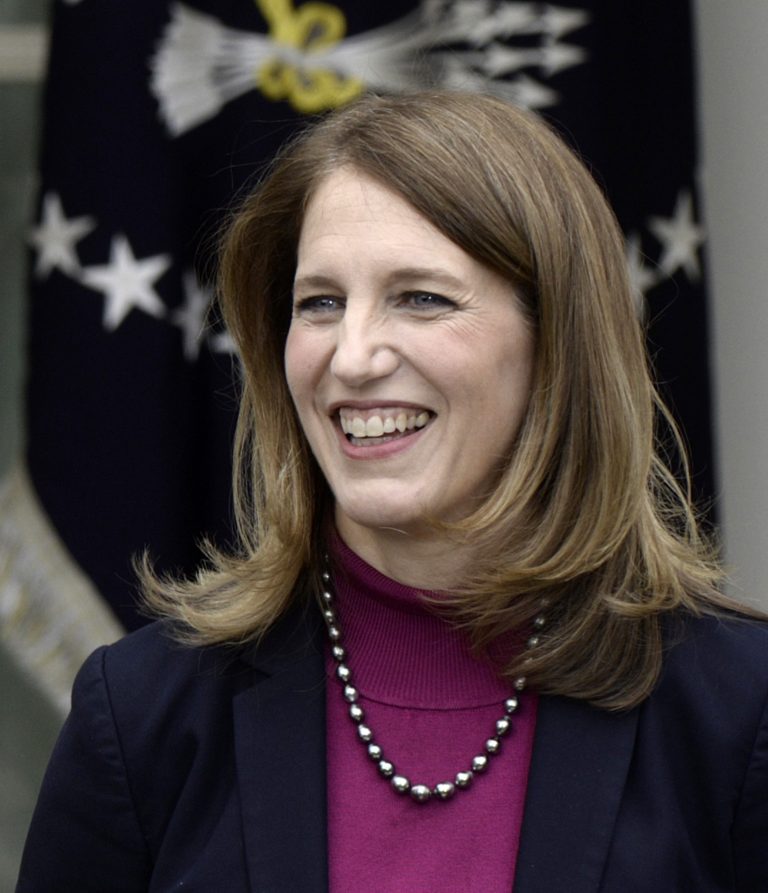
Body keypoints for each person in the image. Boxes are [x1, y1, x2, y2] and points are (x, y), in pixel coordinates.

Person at [17, 92, 768, 892]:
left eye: (421, 297)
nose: (353, 355)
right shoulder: (140, 717)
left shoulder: (738, 713)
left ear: (556, 340)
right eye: (321, 304)